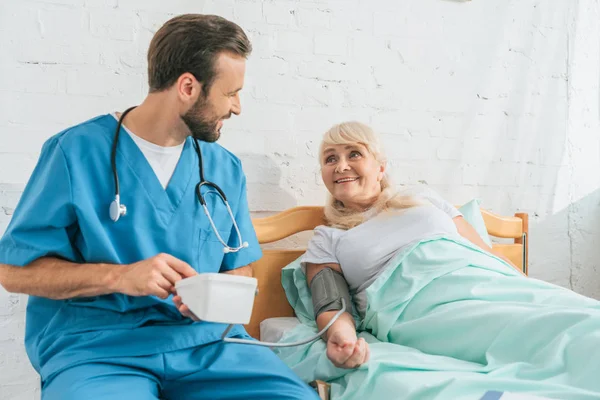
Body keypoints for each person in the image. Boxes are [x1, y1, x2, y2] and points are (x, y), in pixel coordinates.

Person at [0, 14, 318, 400]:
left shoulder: (223, 168)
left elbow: (238, 263)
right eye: (231, 92)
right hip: (99, 350)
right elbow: (14, 272)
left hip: (209, 345)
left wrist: (221, 293)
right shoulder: (75, 153)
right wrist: (120, 277)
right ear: (188, 86)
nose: (237, 107)